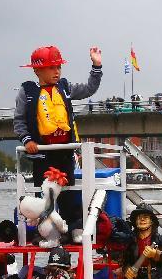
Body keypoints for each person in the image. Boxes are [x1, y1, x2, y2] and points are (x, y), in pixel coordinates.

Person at [13, 45, 102, 225]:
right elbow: (19, 121)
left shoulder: (65, 87)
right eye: (52, 67)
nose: (57, 71)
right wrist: (27, 140)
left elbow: (89, 89)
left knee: (68, 196)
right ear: (37, 71)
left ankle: (71, 229)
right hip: (43, 155)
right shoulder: (27, 92)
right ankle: (44, 231)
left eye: (58, 67)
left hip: (65, 153)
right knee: (44, 196)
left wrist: (96, 66)